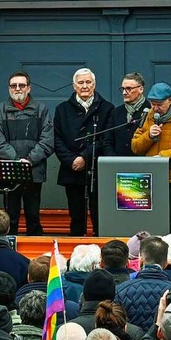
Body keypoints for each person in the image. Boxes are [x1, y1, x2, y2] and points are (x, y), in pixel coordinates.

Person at [0, 71, 54, 236]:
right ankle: (9, 251)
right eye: (13, 85)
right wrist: (17, 161)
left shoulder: (41, 109)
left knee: (33, 216)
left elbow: (47, 140)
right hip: (9, 171)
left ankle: (37, 257)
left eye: (22, 85)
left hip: (34, 171)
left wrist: (30, 160)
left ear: (29, 88)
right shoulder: (0, 110)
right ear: (9, 89)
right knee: (10, 218)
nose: (17, 89)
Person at [54, 68, 114, 236]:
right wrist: (71, 160)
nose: (85, 86)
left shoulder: (107, 108)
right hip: (72, 170)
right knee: (76, 216)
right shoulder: (62, 109)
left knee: (99, 215)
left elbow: (107, 139)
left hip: (97, 170)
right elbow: (57, 140)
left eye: (88, 82)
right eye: (81, 83)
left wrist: (84, 158)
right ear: (74, 86)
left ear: (94, 85)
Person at [131, 82, 171, 235]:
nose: (155, 108)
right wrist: (149, 135)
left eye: (159, 104)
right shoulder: (149, 115)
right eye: (153, 104)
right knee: (150, 222)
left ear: (170, 100)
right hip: (150, 178)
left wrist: (162, 157)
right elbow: (135, 146)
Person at [104, 72, 150, 156]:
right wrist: (114, 160)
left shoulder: (150, 110)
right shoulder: (116, 112)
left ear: (141, 89)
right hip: (117, 165)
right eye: (123, 89)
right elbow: (107, 141)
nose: (124, 93)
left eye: (129, 89)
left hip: (143, 165)